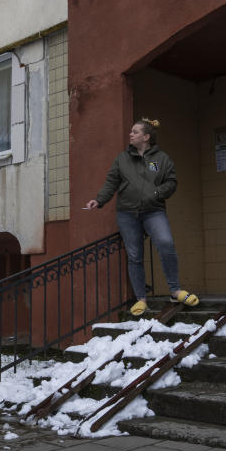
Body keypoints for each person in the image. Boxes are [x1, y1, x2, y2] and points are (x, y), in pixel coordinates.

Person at [84, 118, 198, 316]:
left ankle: (175, 291)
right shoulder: (122, 159)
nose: (130, 134)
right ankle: (141, 299)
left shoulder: (162, 159)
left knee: (166, 243)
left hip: (154, 211)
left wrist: (157, 193)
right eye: (131, 131)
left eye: (135, 132)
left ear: (146, 137)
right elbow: (111, 182)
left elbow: (171, 183)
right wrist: (99, 200)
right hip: (127, 213)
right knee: (135, 256)